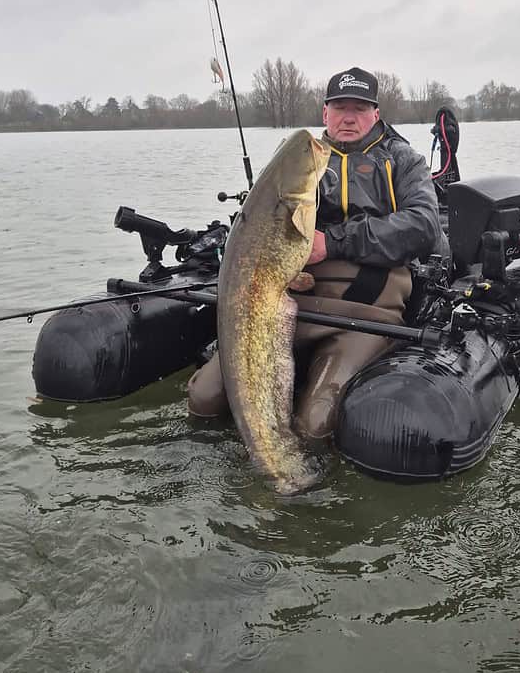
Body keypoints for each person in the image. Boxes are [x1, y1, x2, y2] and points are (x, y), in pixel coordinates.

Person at [188, 66, 443, 439]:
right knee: (204, 397)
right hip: (293, 300)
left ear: (376, 114)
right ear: (325, 113)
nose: (349, 117)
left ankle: (310, 485)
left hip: (367, 308)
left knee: (316, 422)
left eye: (360, 108)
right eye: (340, 107)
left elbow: (424, 226)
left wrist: (333, 242)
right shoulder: (295, 158)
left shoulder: (403, 159)